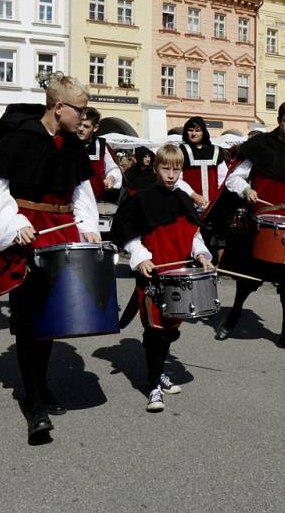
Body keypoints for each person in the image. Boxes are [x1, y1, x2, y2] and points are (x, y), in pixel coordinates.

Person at [0, 73, 100, 444]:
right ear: (59, 107)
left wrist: (89, 226)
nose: (84, 116)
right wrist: (15, 223)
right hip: (27, 232)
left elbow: (81, 190)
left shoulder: (73, 146)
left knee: (52, 318)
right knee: (29, 320)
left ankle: (41, 385)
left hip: (62, 231)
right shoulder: (20, 139)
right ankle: (33, 403)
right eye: (79, 110)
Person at [112, 144, 214, 412]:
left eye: (176, 169)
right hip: (153, 276)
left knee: (170, 332)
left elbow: (193, 236)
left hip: (178, 277)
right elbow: (129, 234)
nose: (171, 174)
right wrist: (141, 256)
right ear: (156, 167)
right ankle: (154, 384)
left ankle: (154, 372)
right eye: (165, 168)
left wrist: (202, 255)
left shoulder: (183, 199)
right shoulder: (141, 198)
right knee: (155, 331)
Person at [214, 100, 285, 352]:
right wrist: (247, 189)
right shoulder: (259, 146)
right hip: (260, 221)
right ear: (279, 120)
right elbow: (234, 179)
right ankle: (233, 317)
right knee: (248, 279)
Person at [175, 116, 228, 209]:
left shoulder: (216, 151)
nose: (194, 134)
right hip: (189, 205)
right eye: (190, 130)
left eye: (197, 130)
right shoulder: (180, 151)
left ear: (203, 132)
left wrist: (218, 200)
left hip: (213, 206)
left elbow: (223, 180)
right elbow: (176, 179)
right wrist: (194, 195)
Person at [76, 107, 122, 202]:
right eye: (79, 124)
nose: (80, 129)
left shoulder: (101, 146)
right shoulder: (66, 143)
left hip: (95, 201)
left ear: (95, 127)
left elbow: (113, 169)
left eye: (86, 126)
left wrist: (111, 178)